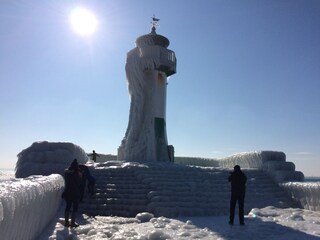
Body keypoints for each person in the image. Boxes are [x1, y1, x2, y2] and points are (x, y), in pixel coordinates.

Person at [62, 159, 82, 228]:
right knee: (75, 207)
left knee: (68, 206)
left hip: (67, 192)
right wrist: (80, 175)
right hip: (75, 192)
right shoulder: (77, 174)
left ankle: (66, 222)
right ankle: (72, 223)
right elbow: (79, 183)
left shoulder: (67, 173)